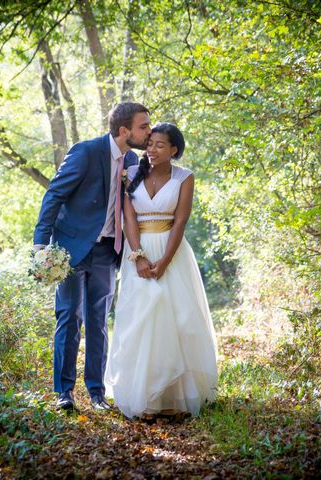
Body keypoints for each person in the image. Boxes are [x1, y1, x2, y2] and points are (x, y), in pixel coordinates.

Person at [33, 102, 151, 411]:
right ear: (124, 130)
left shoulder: (132, 159)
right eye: (143, 127)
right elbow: (55, 194)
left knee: (98, 322)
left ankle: (97, 394)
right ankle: (64, 393)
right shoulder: (85, 152)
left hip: (107, 251)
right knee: (70, 318)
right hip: (71, 249)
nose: (148, 132)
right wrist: (40, 245)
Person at [104, 122, 218, 419]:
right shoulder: (131, 175)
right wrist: (139, 257)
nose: (151, 150)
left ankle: (176, 398)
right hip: (138, 251)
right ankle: (144, 398)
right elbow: (128, 218)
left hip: (172, 252)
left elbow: (180, 221)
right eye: (150, 143)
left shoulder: (184, 178)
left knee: (175, 318)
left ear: (174, 150)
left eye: (159, 145)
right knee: (140, 319)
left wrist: (165, 260)